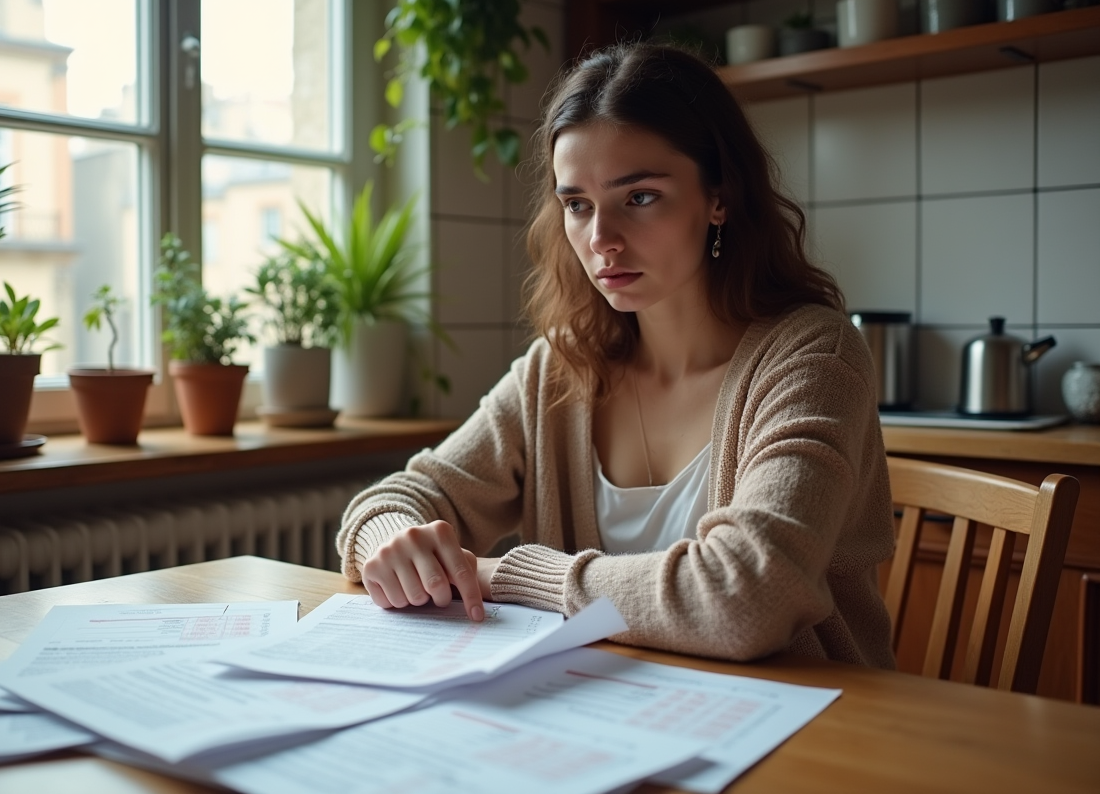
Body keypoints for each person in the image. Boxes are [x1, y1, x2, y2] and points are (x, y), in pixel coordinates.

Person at [336, 43, 896, 668]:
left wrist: (501, 576)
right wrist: (392, 540)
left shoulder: (815, 355)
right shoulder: (561, 368)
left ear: (720, 196)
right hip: (607, 716)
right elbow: (403, 497)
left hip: (811, 729)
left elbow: (745, 596)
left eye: (640, 197)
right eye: (577, 204)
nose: (601, 239)